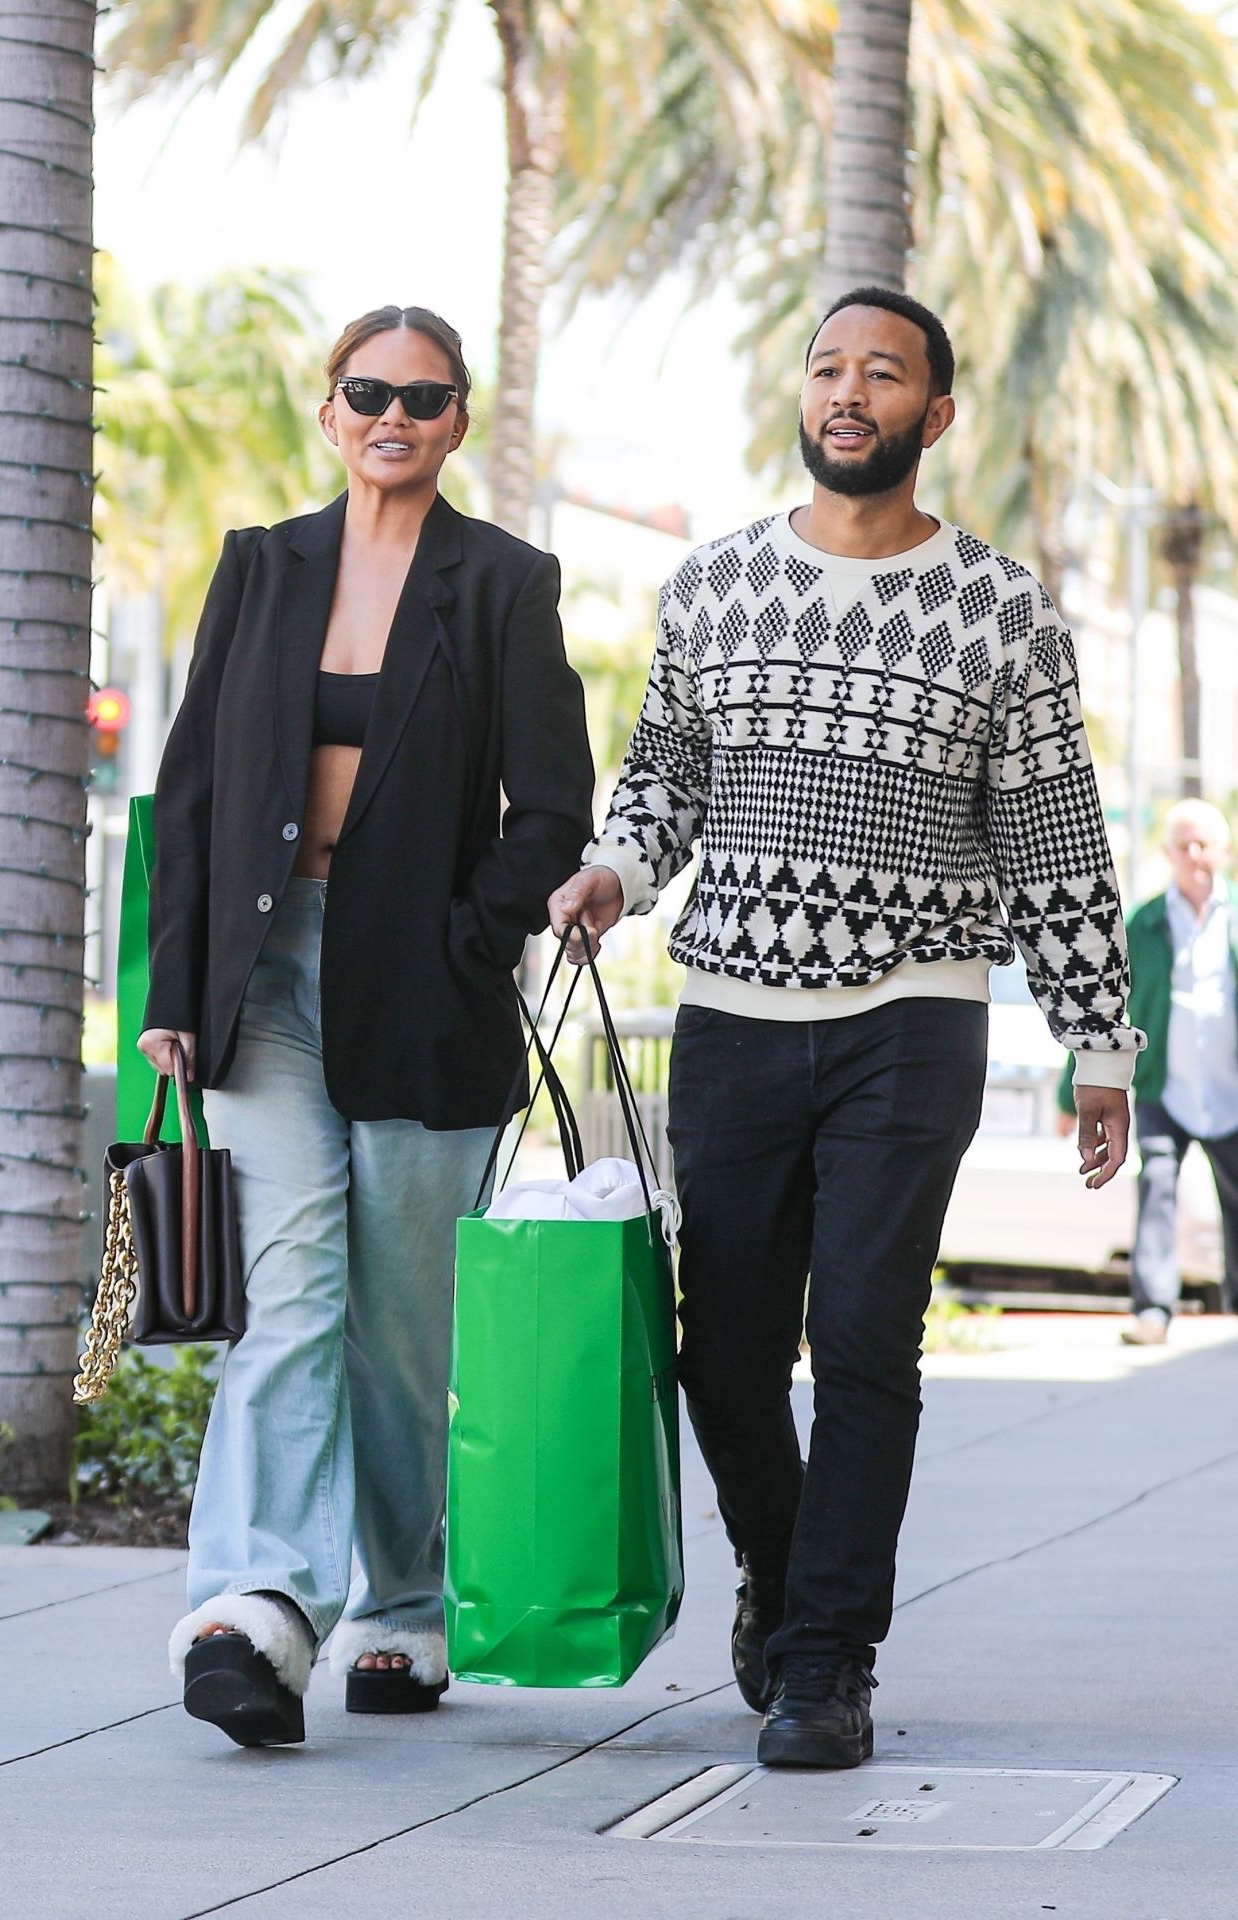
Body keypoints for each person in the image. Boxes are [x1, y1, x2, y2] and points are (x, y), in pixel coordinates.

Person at [547, 287, 1141, 1771]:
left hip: (914, 1014)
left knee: (866, 1338)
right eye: (828, 368)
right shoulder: (716, 584)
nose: (849, 392)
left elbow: (1058, 842)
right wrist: (614, 872)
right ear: (802, 399)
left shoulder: (1003, 609)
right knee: (726, 1357)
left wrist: (1099, 1041)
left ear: (936, 416)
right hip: (736, 1010)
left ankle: (827, 1662)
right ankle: (781, 1569)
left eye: (884, 373)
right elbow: (660, 782)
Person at [139, 303, 593, 1746]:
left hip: (425, 995)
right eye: (366, 391)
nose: (393, 415)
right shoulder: (261, 569)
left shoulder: (506, 583)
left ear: (458, 421)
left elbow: (554, 811)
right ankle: (251, 1611)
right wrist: (173, 992)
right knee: (295, 1296)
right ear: (327, 410)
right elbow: (195, 783)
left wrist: (471, 940)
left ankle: (404, 1609)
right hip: (261, 984)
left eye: (424, 396)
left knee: (402, 1331)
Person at [1059, 800, 1238, 1343]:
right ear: (1168, 854)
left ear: (1224, 850)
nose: (1194, 855)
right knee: (1156, 1184)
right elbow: (1107, 1007)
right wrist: (1072, 1098)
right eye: (1183, 845)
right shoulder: (1146, 921)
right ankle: (1153, 1312)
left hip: (1230, 1091)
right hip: (1167, 1084)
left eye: (1203, 843)